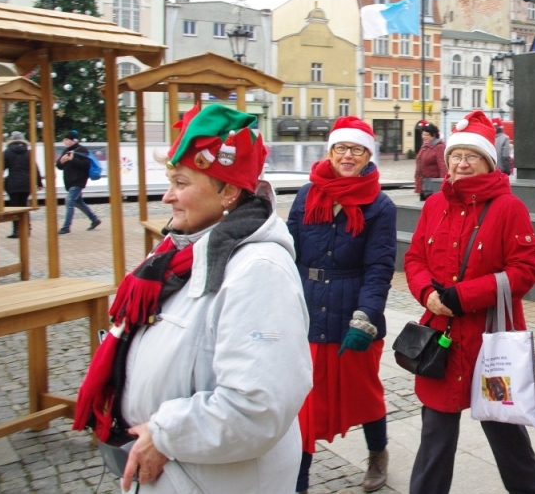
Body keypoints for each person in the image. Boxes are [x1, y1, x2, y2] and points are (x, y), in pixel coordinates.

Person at [72, 104, 312, 493]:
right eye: (170, 181)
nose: (168, 197)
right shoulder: (176, 253)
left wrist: (165, 436)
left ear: (229, 191)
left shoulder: (258, 270)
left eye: (182, 183)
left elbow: (258, 408)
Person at [403, 110, 535, 494]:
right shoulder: (435, 204)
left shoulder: (508, 207)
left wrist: (465, 295)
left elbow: (525, 270)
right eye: (455, 155)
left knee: (508, 440)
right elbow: (414, 258)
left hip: (491, 342)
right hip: (443, 342)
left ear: (488, 162)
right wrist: (427, 294)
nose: (461, 163)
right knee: (434, 441)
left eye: (471, 156)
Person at [288, 116, 396, 494]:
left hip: (353, 309)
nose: (347, 156)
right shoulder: (306, 194)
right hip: (309, 308)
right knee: (305, 401)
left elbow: (379, 267)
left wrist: (365, 317)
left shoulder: (380, 206)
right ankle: (298, 481)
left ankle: (378, 453)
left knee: (364, 391)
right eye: (340, 148)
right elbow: (288, 250)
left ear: (369, 155)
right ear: (329, 151)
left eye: (356, 149)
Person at [55, 130, 101, 234]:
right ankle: (94, 219)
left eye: (67, 139)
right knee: (78, 202)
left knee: (69, 201)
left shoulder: (82, 150)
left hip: (78, 180)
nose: (65, 142)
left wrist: (73, 159)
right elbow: (59, 165)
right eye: (64, 140)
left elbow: (86, 164)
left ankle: (66, 227)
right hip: (69, 181)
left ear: (73, 140)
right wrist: (61, 161)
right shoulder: (66, 150)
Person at [3, 131, 41, 238]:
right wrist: (39, 182)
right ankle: (27, 228)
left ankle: (16, 230)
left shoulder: (7, 152)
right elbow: (34, 168)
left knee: (14, 207)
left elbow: (2, 167)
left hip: (13, 184)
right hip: (26, 183)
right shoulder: (28, 152)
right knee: (24, 206)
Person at [414, 122, 447, 201]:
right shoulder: (424, 146)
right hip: (423, 184)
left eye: (427, 135)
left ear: (433, 135)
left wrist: (443, 184)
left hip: (433, 186)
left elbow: (442, 166)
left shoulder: (439, 147)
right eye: (423, 134)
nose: (424, 137)